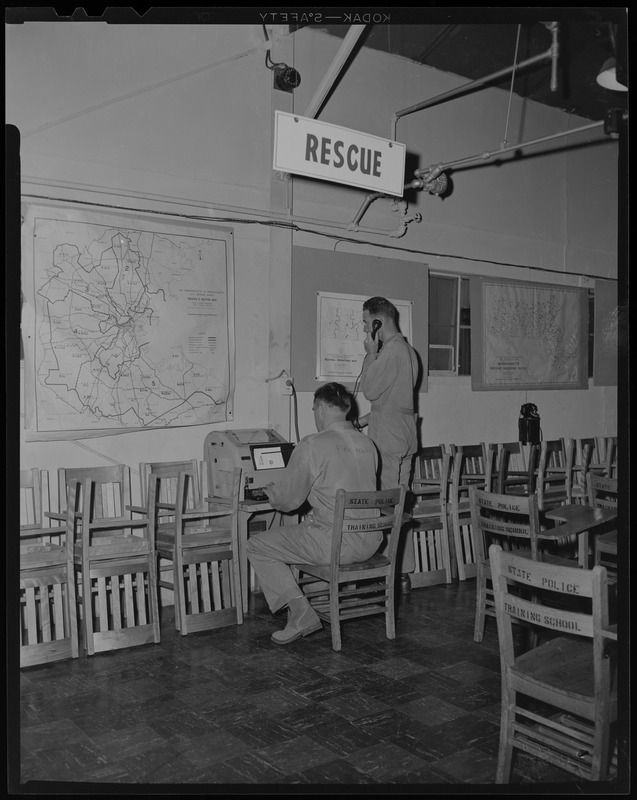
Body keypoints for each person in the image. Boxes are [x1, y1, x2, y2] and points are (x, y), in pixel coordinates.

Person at [246, 382, 379, 645]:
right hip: (371, 540)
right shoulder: (367, 444)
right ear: (346, 409)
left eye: (314, 409)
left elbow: (289, 501)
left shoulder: (312, 444)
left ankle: (300, 614)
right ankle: (319, 601)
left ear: (319, 409)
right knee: (310, 529)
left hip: (336, 544)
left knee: (257, 545)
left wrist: (273, 494)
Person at [357, 296, 419, 593]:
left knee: (384, 506)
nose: (367, 330)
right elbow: (394, 402)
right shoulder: (409, 352)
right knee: (400, 505)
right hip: (404, 433)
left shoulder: (390, 352)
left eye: (368, 324)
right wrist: (363, 421)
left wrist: (371, 354)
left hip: (389, 440)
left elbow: (370, 389)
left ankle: (384, 572)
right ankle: (402, 572)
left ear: (378, 322)